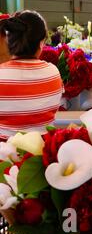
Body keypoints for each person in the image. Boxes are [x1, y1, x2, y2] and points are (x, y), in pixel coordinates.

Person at [0, 10, 63, 139]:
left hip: (4, 154)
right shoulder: (53, 72)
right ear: (41, 43)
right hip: (43, 154)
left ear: (9, 40)